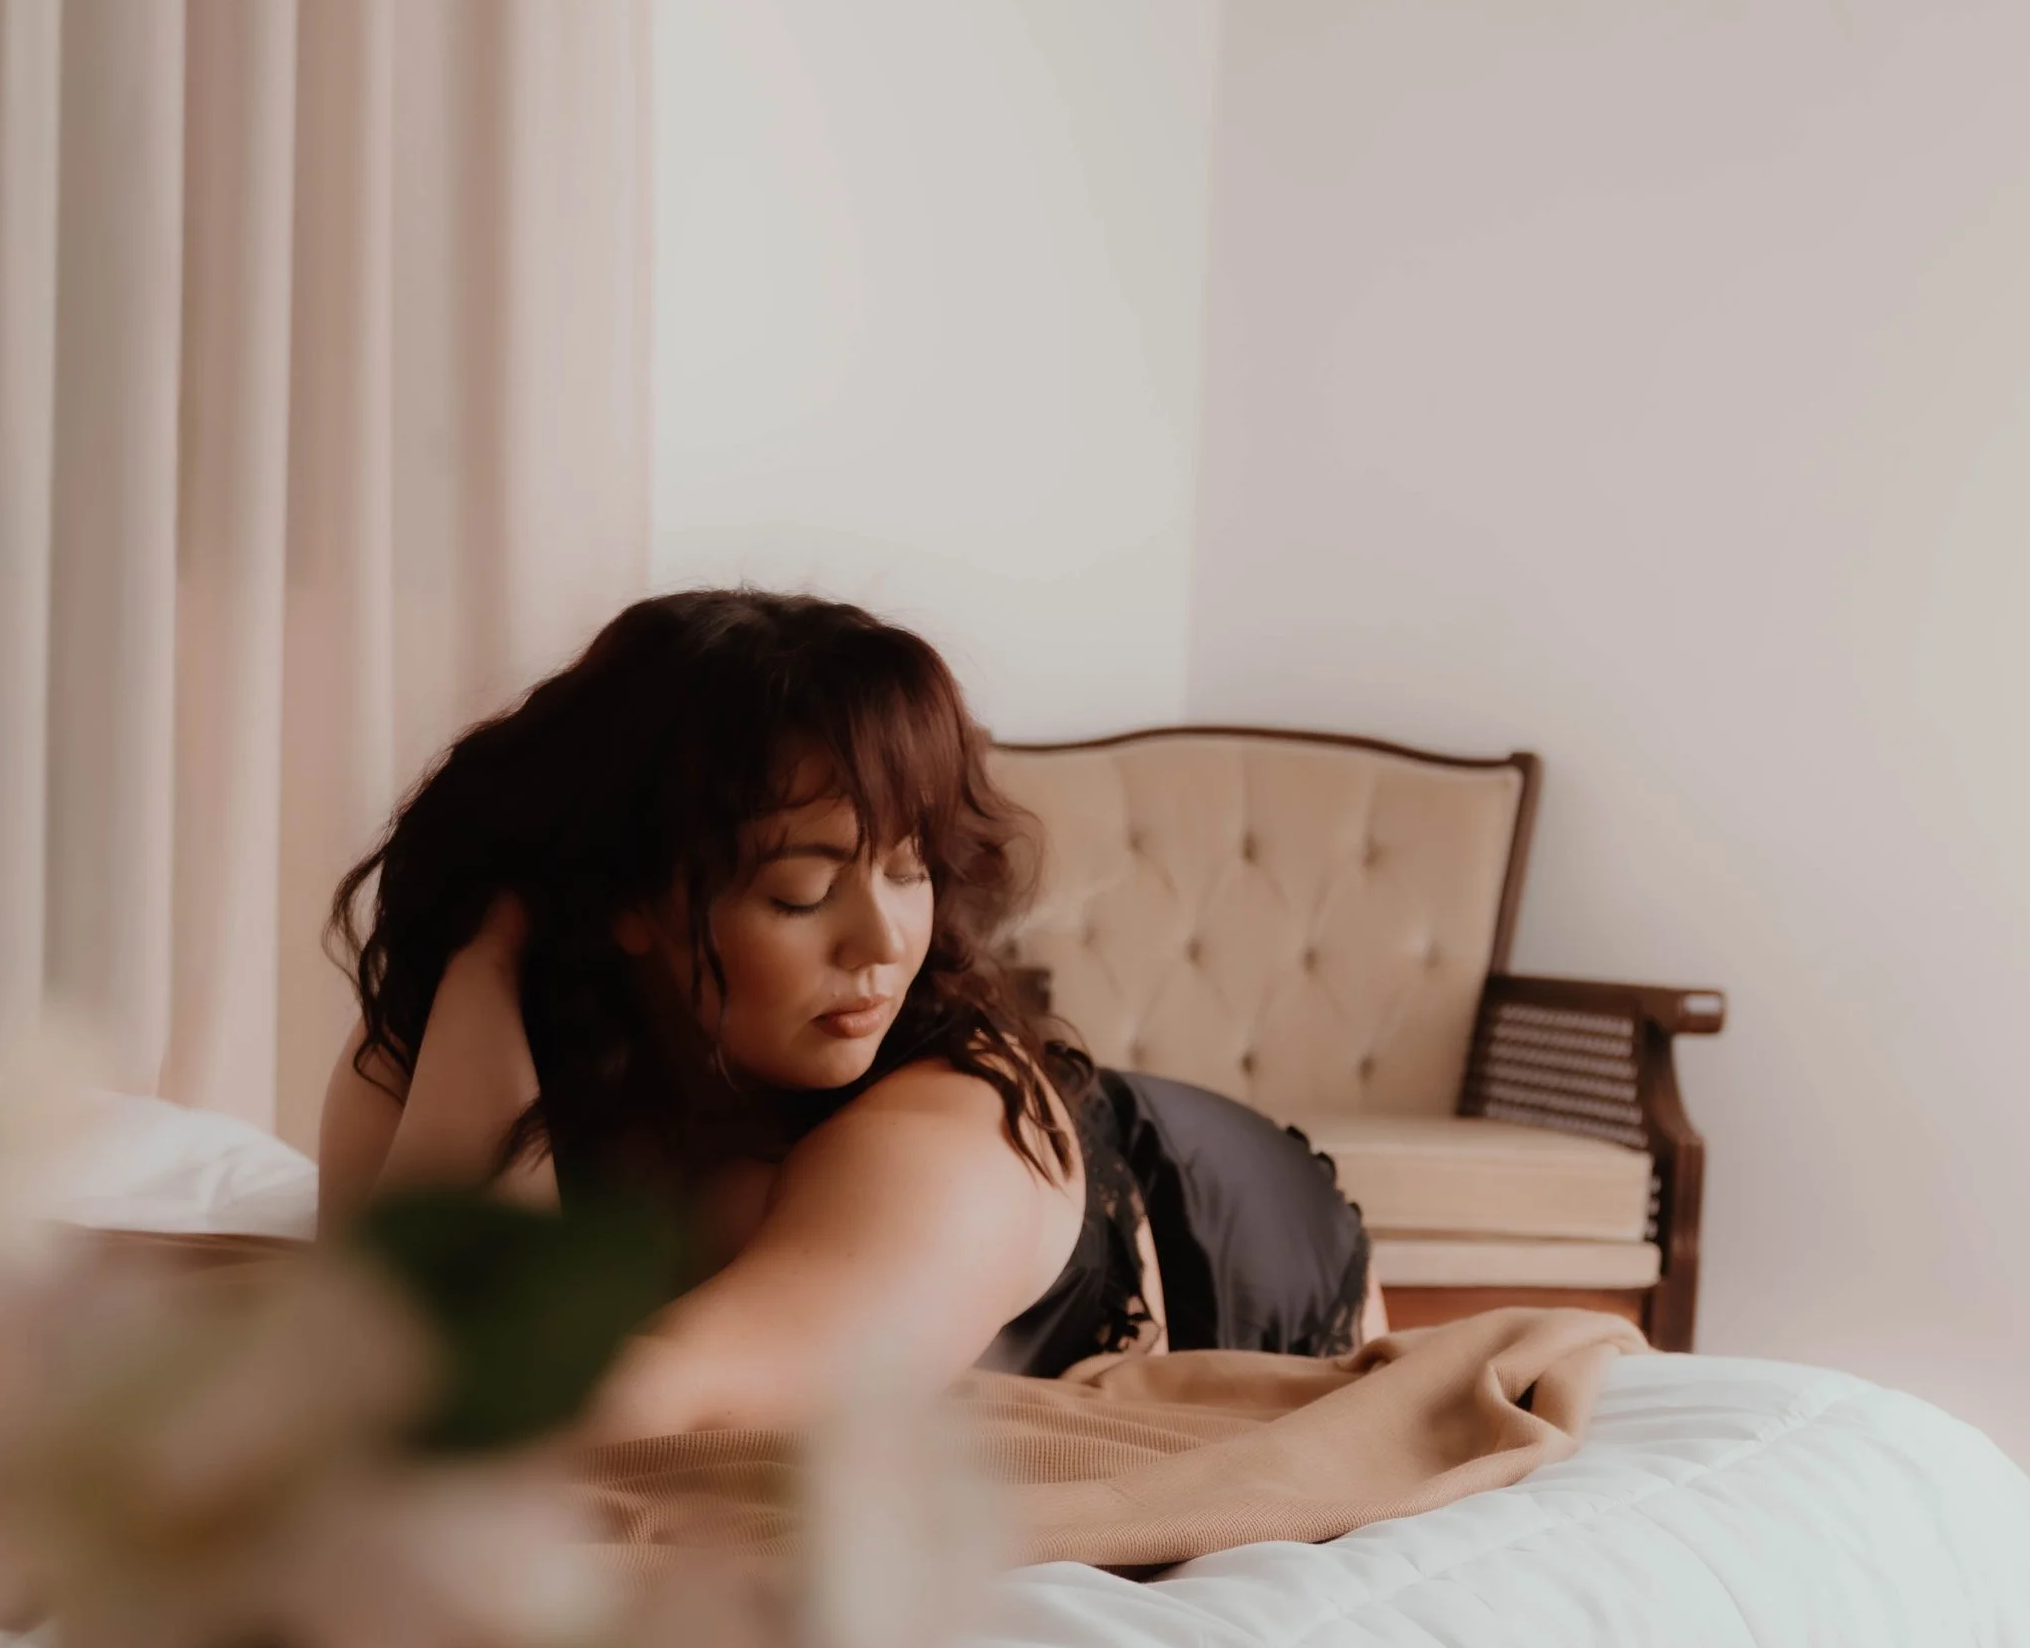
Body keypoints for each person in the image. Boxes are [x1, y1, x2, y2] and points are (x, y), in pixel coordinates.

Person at [319, 590, 1377, 1436]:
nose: (884, 946)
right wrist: (479, 973)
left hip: (1234, 1244)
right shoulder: (461, 1037)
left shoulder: (948, 1149)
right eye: (802, 891)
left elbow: (534, 1406)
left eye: (910, 871)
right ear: (621, 901)